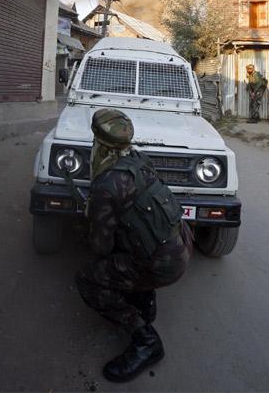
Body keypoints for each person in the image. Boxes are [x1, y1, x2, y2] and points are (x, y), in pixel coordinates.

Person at [76, 108, 193, 383]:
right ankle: (145, 302)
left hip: (162, 264)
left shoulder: (107, 184)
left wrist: (93, 215)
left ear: (98, 143)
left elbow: (100, 246)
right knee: (131, 246)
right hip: (181, 243)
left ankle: (146, 340)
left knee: (87, 280)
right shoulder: (139, 160)